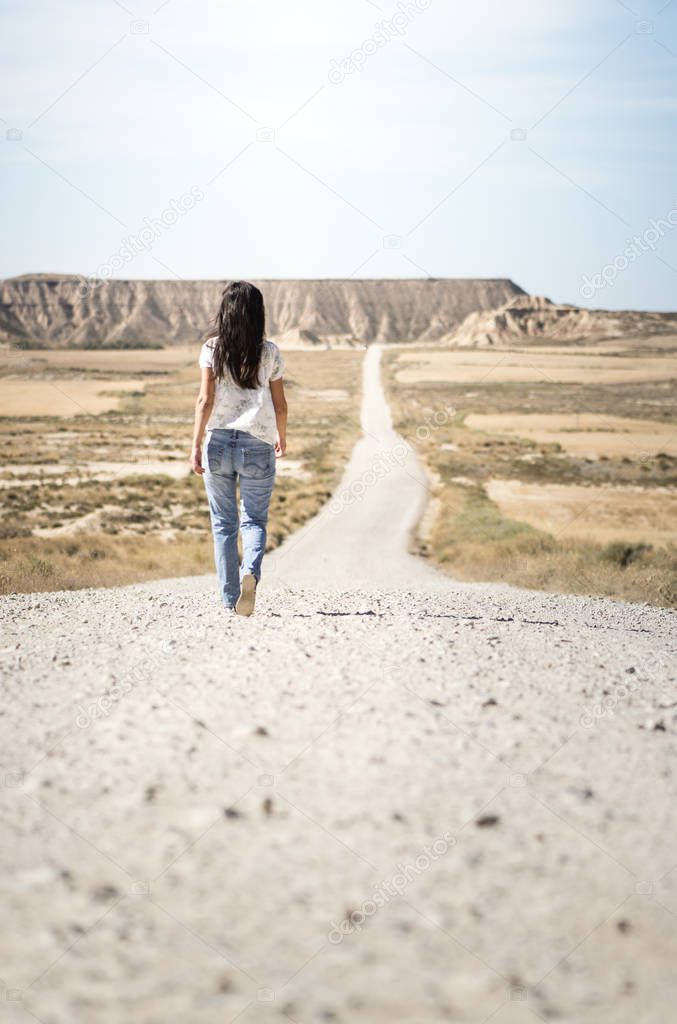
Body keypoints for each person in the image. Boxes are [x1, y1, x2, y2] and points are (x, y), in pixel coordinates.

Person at [190, 281, 287, 616]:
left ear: (225, 312)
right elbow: (280, 404)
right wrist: (281, 436)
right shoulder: (270, 352)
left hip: (217, 443)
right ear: (257, 314)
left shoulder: (211, 349)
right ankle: (250, 573)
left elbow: (205, 400)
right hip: (257, 443)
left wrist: (195, 444)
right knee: (254, 520)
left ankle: (231, 599)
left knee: (223, 523)